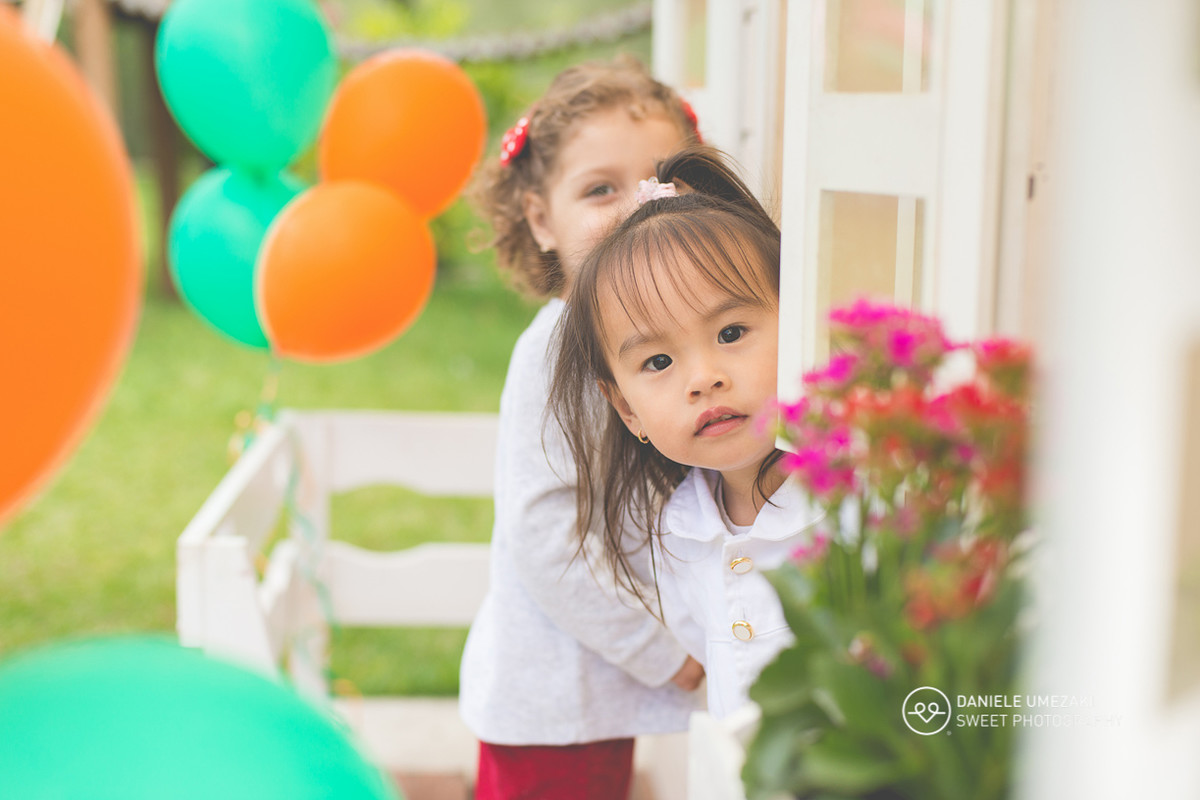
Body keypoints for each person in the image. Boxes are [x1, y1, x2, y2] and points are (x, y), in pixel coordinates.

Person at [459, 56, 706, 800]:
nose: (640, 207)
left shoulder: (642, 337)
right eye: (602, 189)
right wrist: (663, 652)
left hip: (585, 693)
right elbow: (545, 539)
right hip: (557, 701)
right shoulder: (559, 348)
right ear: (540, 218)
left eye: (665, 181)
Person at [550, 145, 825, 720]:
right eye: (657, 363)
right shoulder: (679, 537)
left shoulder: (847, 506)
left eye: (730, 333)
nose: (703, 379)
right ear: (626, 409)